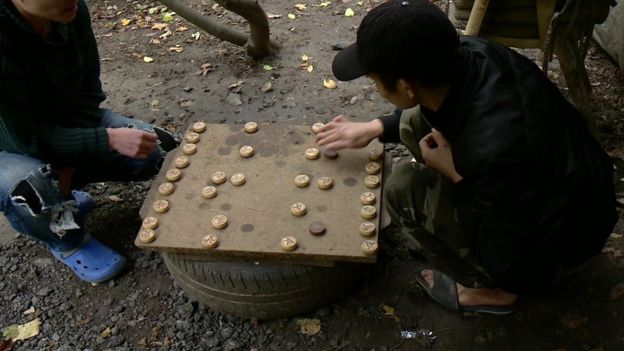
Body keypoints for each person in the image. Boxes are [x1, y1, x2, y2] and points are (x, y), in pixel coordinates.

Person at [317, 0, 617, 314]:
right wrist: (374, 127)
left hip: (562, 240)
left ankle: (494, 292)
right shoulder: (470, 53)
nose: (376, 87)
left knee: (403, 189)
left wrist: (457, 175)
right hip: (570, 184)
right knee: (411, 123)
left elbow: (510, 254)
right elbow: (423, 110)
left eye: (376, 81)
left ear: (405, 86)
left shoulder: (491, 152)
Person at [0, 0, 178, 283]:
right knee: (30, 186)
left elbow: (89, 90)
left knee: (159, 147)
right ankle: (67, 240)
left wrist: (72, 160)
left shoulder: (69, 9)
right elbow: (22, 141)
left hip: (60, 125)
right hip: (8, 146)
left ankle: (63, 196)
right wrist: (103, 139)